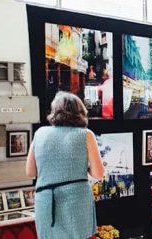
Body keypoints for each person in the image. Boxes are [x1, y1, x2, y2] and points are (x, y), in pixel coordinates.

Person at [26, 92, 104, 239]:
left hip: (46, 200)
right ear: (80, 112)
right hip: (75, 201)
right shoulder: (85, 135)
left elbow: (30, 172)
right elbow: (98, 173)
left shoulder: (40, 133)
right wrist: (80, 166)